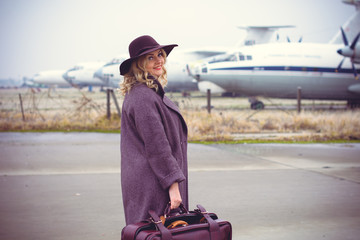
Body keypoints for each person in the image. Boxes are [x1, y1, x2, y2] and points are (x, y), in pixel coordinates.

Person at [119, 35, 188, 225]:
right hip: (155, 183)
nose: (159, 60)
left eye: (160, 54)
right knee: (159, 232)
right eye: (150, 57)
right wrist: (173, 186)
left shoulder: (147, 93)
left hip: (153, 179)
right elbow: (157, 146)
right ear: (138, 64)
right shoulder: (143, 97)